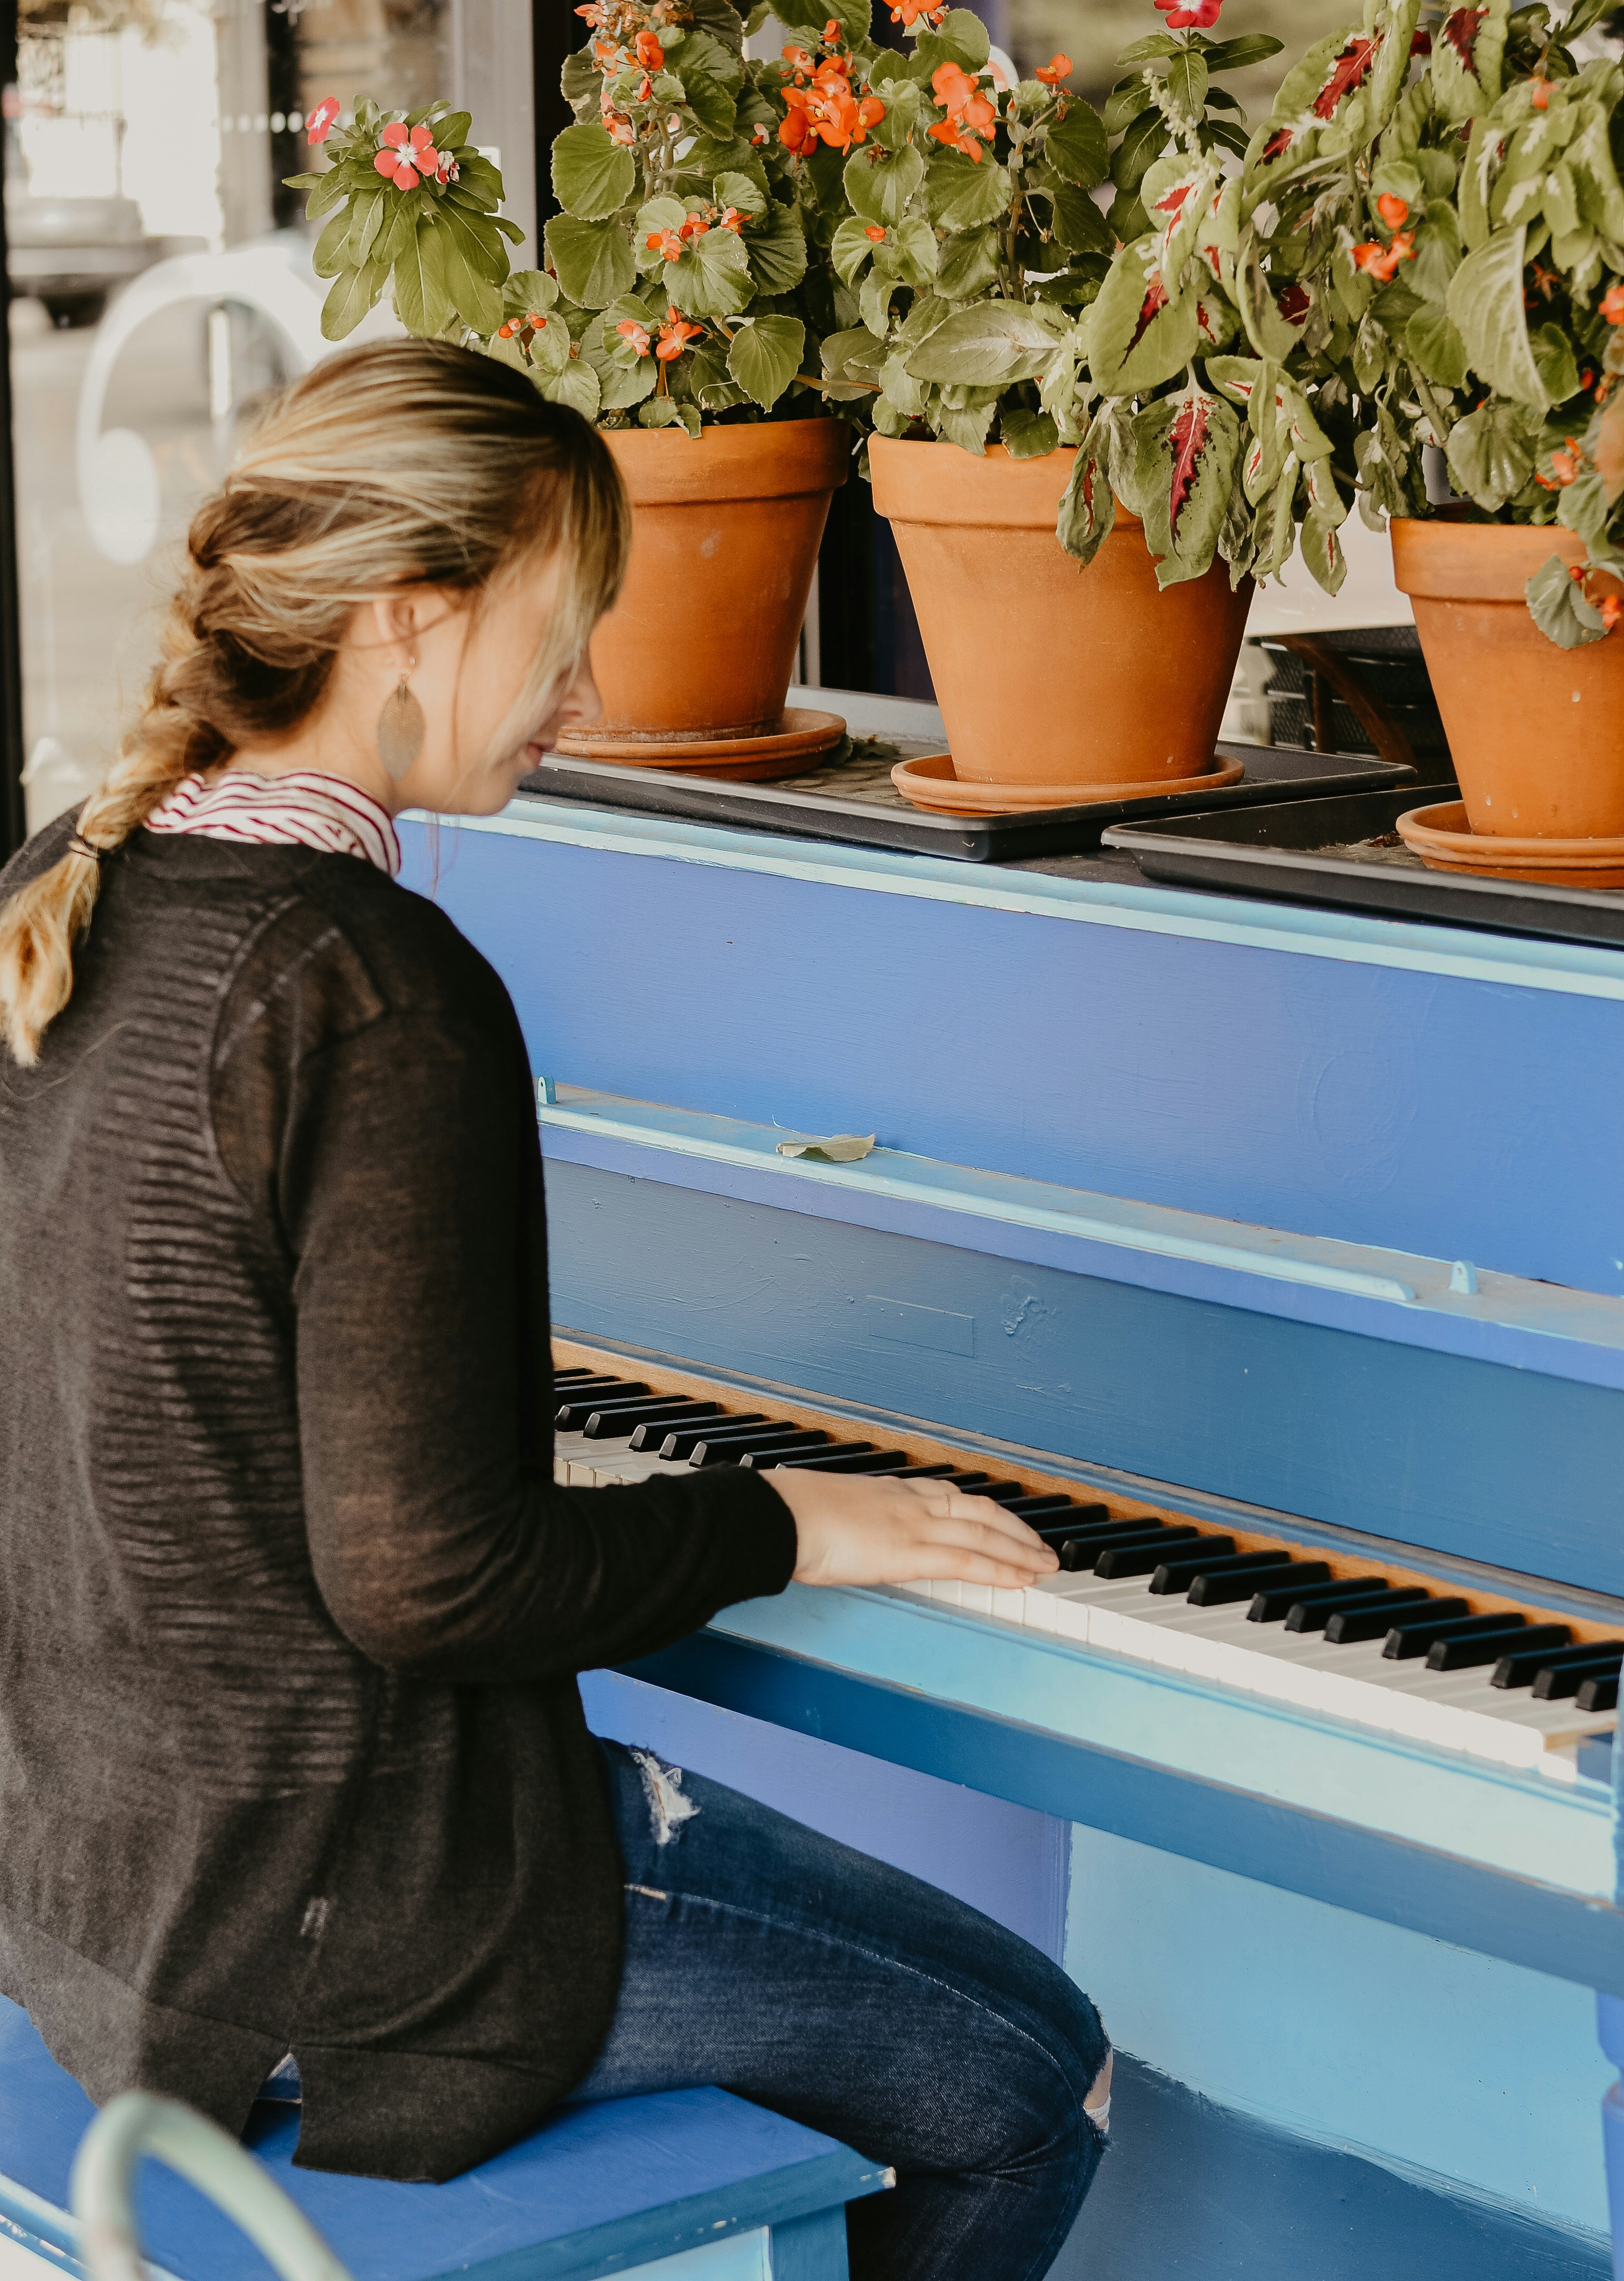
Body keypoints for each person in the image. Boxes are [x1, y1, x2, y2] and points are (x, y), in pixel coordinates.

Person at [0, 341, 1110, 2279]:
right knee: (1038, 2076)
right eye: (561, 632)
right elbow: (434, 1581)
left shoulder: (66, 898)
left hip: (98, 1897)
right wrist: (793, 1521)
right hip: (365, 1937)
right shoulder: (374, 985)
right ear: (412, 622)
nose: (585, 695)